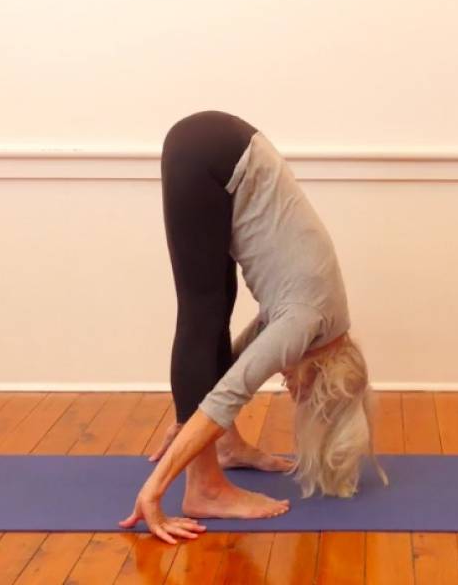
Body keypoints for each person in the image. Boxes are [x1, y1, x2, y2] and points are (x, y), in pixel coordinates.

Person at [120, 111, 384, 543]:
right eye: (300, 394)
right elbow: (232, 389)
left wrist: (195, 424)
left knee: (215, 309)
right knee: (202, 314)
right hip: (214, 158)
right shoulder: (304, 319)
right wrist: (157, 486)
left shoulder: (331, 318)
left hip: (220, 145)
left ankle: (226, 447)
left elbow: (236, 362)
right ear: (320, 380)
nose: (287, 388)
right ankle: (204, 489)